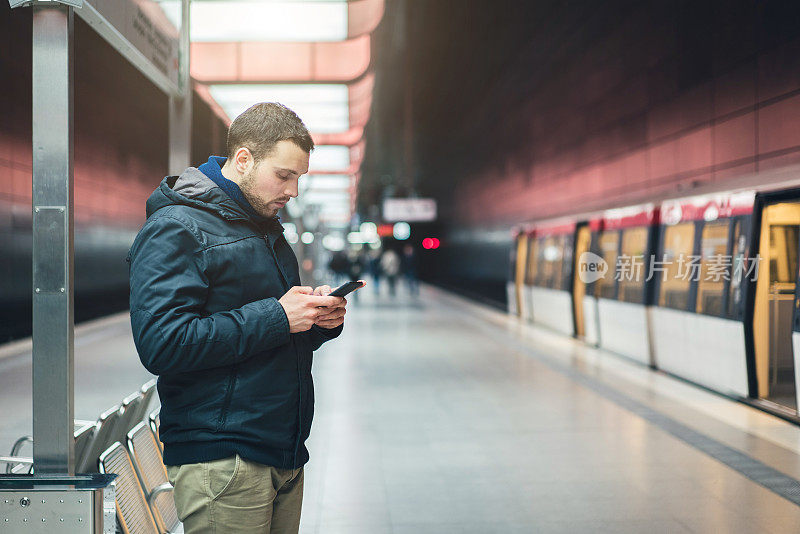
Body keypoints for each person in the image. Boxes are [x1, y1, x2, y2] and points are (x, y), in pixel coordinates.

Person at [127, 103, 347, 533]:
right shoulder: (176, 228)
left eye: (299, 177)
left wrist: (317, 320)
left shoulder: (265, 228)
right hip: (223, 460)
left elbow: (272, 327)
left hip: (280, 450)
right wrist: (279, 316)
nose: (293, 191)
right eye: (284, 175)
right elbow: (162, 342)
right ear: (243, 159)